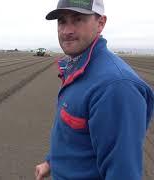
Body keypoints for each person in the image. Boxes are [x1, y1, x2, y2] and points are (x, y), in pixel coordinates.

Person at [35, 0, 154, 179]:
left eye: (78, 19)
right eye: (62, 21)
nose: (67, 30)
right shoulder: (76, 67)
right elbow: (73, 134)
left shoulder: (115, 87)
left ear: (101, 23)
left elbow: (123, 173)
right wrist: (51, 162)